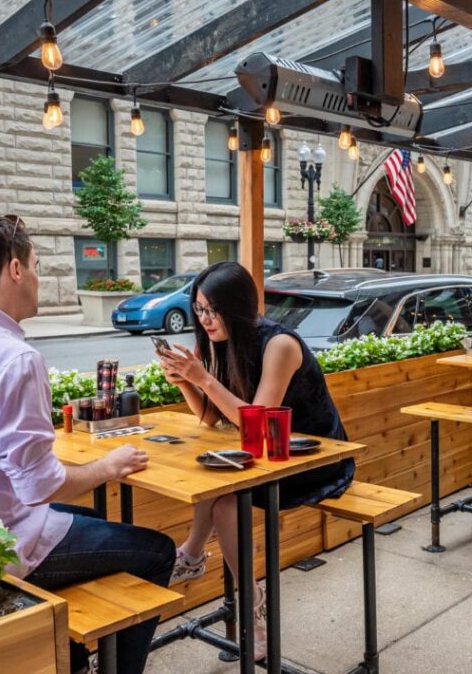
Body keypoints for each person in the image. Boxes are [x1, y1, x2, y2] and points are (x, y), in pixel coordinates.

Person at [0, 215, 175, 674]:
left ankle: (75, 660)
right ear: (14, 270)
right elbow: (39, 489)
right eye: (36, 265)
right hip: (3, 545)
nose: (39, 278)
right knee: (158, 550)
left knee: (92, 520)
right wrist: (109, 466)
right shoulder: (16, 358)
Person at [157, 261, 353, 661]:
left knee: (229, 493)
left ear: (238, 307)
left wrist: (203, 379)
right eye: (199, 310)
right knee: (222, 486)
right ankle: (235, 593)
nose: (205, 320)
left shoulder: (279, 344)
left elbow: (258, 425)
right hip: (266, 458)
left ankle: (199, 563)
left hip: (311, 459)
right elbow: (212, 417)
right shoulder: (221, 343)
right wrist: (184, 382)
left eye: (212, 311)